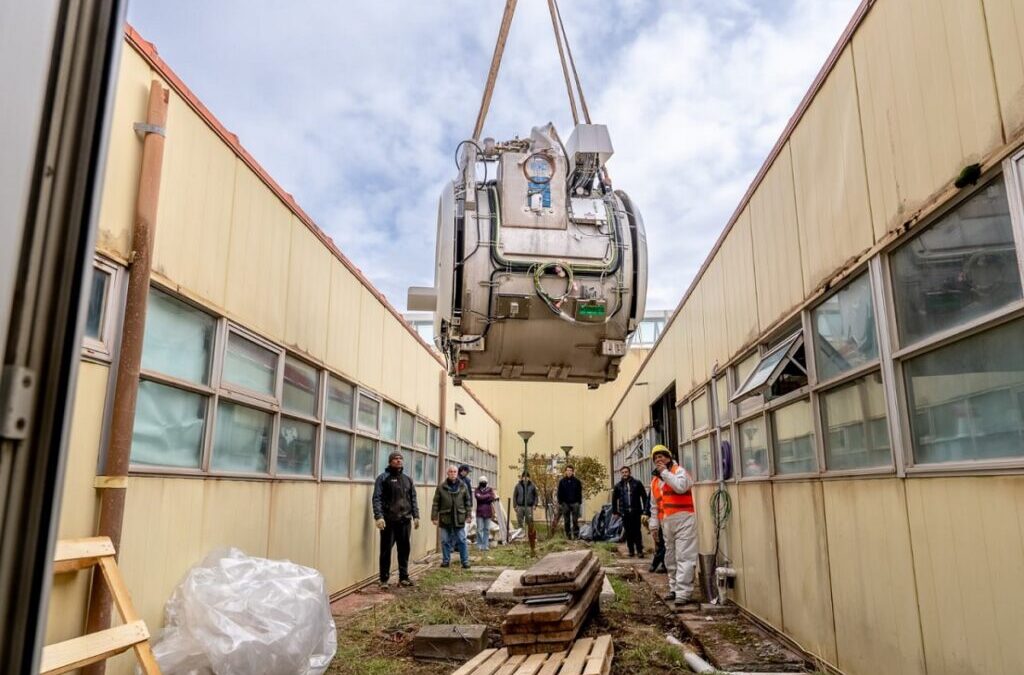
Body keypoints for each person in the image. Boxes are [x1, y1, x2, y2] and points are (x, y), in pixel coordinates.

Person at [649, 444, 697, 606]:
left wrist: (665, 473)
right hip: (667, 522)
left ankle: (684, 593)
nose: (659, 459)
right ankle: (675, 588)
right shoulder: (655, 481)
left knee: (684, 555)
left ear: (669, 457)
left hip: (684, 519)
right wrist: (654, 526)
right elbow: (654, 505)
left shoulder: (679, 472)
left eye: (662, 456)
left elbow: (681, 487)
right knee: (670, 557)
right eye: (656, 458)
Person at [371, 451, 420, 589]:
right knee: (386, 550)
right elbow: (377, 498)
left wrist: (416, 516)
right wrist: (379, 516)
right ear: (390, 461)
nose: (398, 461)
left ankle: (403, 577)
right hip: (389, 521)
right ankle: (384, 580)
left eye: (400, 458)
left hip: (405, 520)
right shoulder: (383, 478)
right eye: (395, 459)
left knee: (404, 549)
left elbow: (413, 498)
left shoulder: (407, 479)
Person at [432, 465, 472, 569]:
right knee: (445, 540)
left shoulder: (463, 486)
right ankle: (446, 561)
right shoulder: (441, 487)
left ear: (457, 473)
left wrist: (468, 515)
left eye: (454, 472)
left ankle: (465, 561)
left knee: (462, 540)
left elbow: (468, 501)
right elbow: (436, 503)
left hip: (459, 516)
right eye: (450, 471)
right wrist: (434, 517)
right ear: (447, 473)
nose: (453, 473)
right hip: (445, 517)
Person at [611, 465, 650, 557]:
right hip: (624, 513)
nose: (625, 474)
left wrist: (646, 511)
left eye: (626, 472)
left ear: (629, 472)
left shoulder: (637, 483)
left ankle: (640, 551)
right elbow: (614, 500)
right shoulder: (618, 486)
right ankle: (631, 551)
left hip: (636, 511)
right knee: (628, 532)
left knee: (637, 531)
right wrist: (615, 511)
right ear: (621, 474)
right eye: (623, 472)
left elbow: (644, 497)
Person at [648, 468, 667, 574]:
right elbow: (652, 502)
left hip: (674, 519)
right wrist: (653, 522)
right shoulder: (654, 482)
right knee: (661, 543)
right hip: (661, 519)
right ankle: (661, 564)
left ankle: (657, 563)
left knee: (666, 545)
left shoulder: (674, 476)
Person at [556, 465, 583, 540]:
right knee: (567, 520)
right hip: (565, 503)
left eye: (570, 470)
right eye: (567, 470)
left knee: (575, 520)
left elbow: (579, 492)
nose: (569, 472)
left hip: (575, 503)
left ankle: (576, 535)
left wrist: (579, 502)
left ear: (573, 472)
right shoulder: (562, 482)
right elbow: (559, 493)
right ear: (565, 471)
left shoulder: (577, 481)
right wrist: (560, 502)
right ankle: (568, 536)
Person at [474, 478, 497, 552]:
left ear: (487, 482)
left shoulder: (490, 489)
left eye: (484, 482)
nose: (483, 483)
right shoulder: (477, 489)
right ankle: (479, 545)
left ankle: (485, 545)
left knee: (486, 530)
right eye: (481, 482)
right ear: (479, 482)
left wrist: (483, 497)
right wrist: (487, 496)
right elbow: (478, 498)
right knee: (479, 529)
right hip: (479, 512)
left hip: (488, 512)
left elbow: (492, 497)